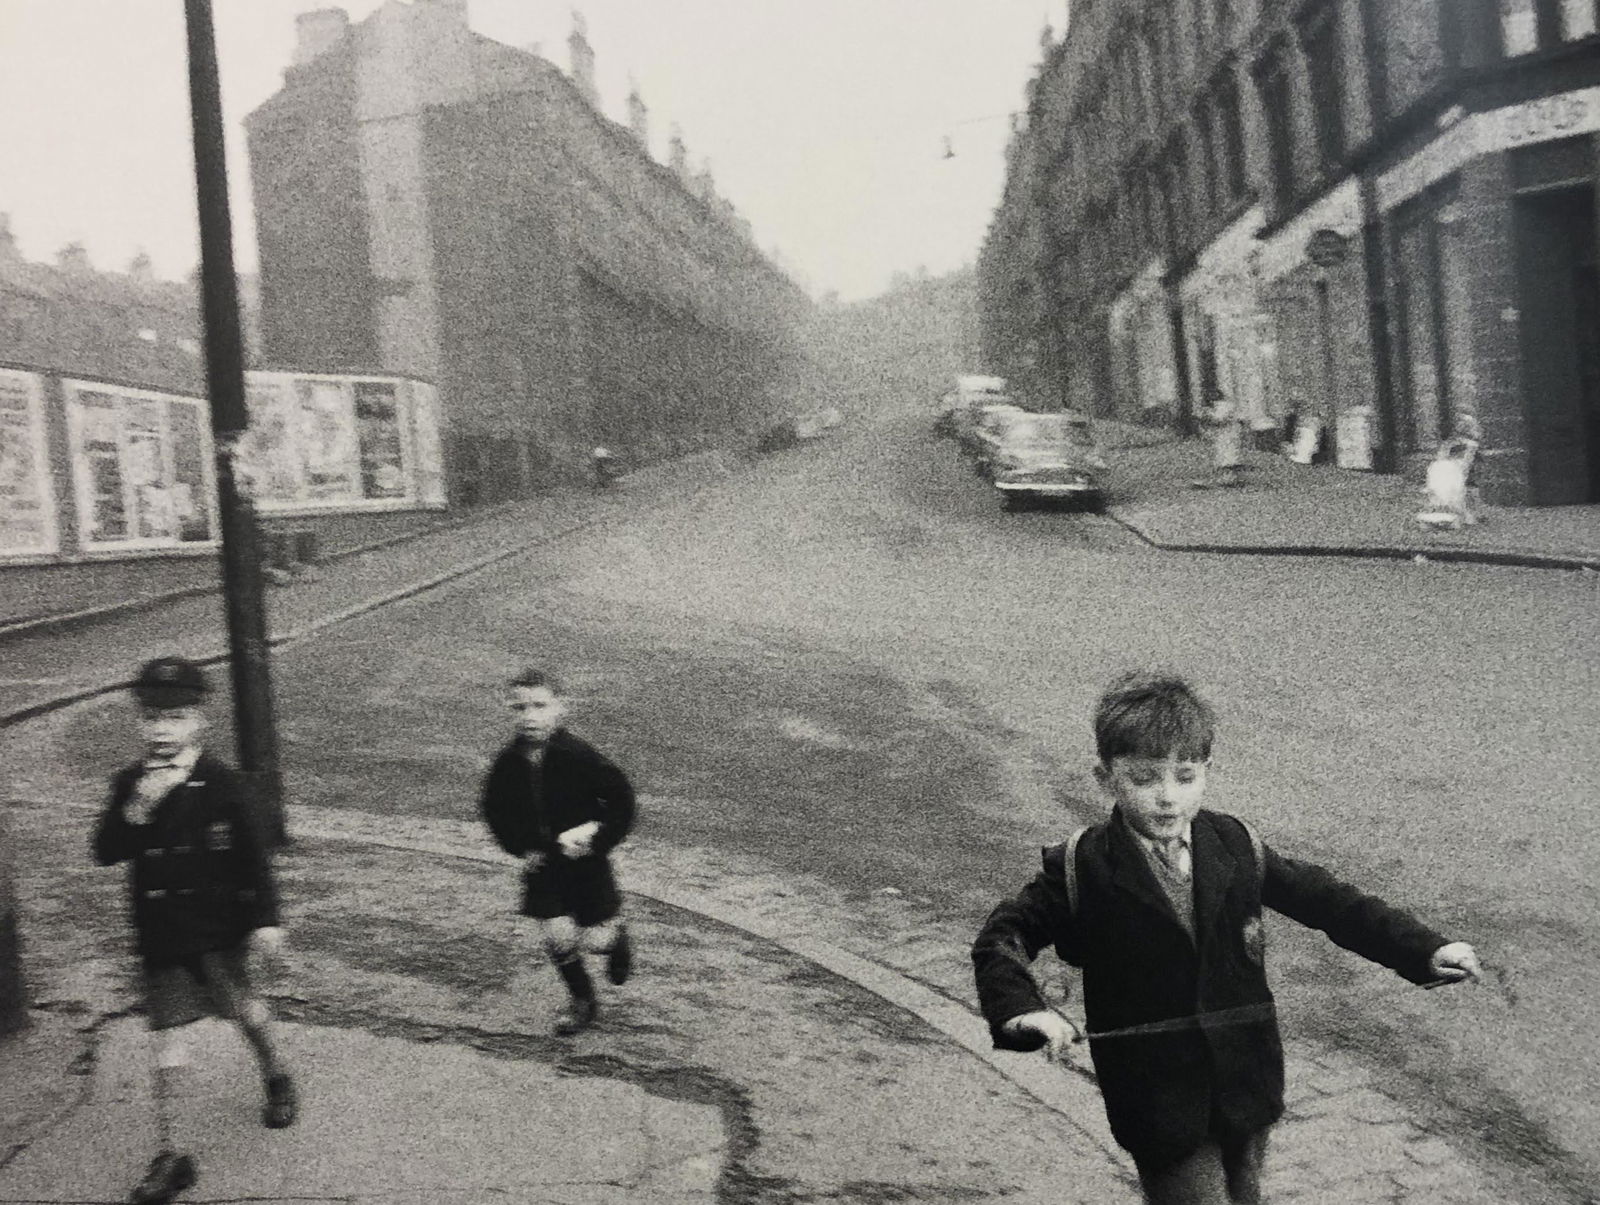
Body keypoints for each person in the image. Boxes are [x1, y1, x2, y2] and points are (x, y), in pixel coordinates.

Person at [971, 672, 1482, 1205]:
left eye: (1185, 777)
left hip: (1247, 1080)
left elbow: (1328, 901)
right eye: (1145, 779)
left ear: (1206, 773)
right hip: (1158, 1099)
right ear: (1106, 779)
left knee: (1245, 1196)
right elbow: (1002, 937)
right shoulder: (1081, 866)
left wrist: (1424, 949)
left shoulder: (1235, 844)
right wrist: (1024, 1011)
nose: (1167, 797)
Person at [92, 656, 295, 1205]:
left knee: (245, 1012)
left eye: (176, 716)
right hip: (161, 932)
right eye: (152, 716)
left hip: (217, 930)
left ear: (199, 719)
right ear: (139, 720)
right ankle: (172, 1154)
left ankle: (276, 1071)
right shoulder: (130, 783)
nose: (162, 728)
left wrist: (267, 922)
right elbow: (104, 851)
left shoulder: (223, 783)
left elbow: (253, 859)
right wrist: (137, 809)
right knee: (167, 1043)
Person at [479, 667, 636, 1035]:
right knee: (557, 936)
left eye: (539, 705)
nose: (530, 716)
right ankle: (582, 1000)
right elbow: (494, 810)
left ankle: (616, 939)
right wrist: (521, 848)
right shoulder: (507, 763)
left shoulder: (578, 755)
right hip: (544, 865)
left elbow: (621, 799)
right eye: (520, 708)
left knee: (595, 941)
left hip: (586, 864)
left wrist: (598, 841)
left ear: (560, 708)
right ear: (509, 710)